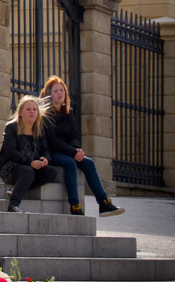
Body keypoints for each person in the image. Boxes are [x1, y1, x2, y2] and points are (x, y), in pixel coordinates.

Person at [40, 75, 125, 217]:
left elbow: (73, 135)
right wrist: (73, 152)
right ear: (49, 94)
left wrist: (77, 148)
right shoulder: (46, 114)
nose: (60, 93)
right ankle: (75, 206)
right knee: (70, 163)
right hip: (52, 151)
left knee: (88, 163)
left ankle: (104, 203)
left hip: (68, 150)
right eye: (56, 91)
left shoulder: (68, 112)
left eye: (62, 90)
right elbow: (52, 141)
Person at [0, 95, 58, 213]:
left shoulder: (38, 129)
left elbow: (45, 150)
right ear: (20, 112)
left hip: (31, 167)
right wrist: (30, 163)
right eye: (28, 109)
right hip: (11, 167)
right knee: (28, 172)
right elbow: (11, 152)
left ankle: (17, 188)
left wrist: (45, 159)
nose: (32, 112)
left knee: (51, 172)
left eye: (34, 109)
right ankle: (13, 205)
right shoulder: (11, 127)